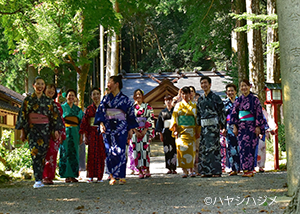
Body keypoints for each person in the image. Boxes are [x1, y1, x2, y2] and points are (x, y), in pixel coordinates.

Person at [15, 77, 64, 188]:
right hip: (32, 130)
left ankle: (40, 178)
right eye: (38, 84)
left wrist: (56, 130)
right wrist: (23, 132)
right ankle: (37, 179)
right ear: (33, 85)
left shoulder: (48, 101)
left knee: (42, 154)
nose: (40, 86)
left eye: (42, 84)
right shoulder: (28, 100)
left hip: (45, 130)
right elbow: (23, 116)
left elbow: (55, 117)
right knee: (34, 153)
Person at [94, 75, 139, 185]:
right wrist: (101, 123)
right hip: (108, 127)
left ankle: (121, 175)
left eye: (110, 82)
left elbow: (130, 114)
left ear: (116, 84)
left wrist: (130, 129)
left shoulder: (125, 99)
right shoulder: (106, 98)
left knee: (121, 151)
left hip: (121, 128)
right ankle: (111, 175)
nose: (108, 85)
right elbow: (100, 112)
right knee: (109, 151)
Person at [230, 79, 265, 177]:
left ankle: (250, 169)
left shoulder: (255, 99)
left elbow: (259, 113)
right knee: (242, 148)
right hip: (241, 127)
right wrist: (235, 127)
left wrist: (258, 126)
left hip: (252, 127)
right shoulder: (238, 100)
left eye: (245, 85)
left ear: (249, 86)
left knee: (251, 147)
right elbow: (234, 114)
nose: (243, 88)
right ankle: (245, 169)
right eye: (241, 86)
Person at [197, 76, 226, 178]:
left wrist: (223, 126)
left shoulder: (216, 98)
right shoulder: (200, 99)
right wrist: (198, 125)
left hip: (213, 127)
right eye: (202, 83)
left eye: (205, 83)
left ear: (210, 84)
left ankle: (216, 171)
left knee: (214, 149)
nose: (204, 85)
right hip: (204, 128)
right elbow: (198, 114)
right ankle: (205, 171)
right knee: (204, 149)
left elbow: (222, 112)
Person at [170, 87, 200, 178]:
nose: (184, 95)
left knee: (191, 151)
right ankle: (184, 171)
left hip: (191, 131)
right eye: (182, 94)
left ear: (189, 94)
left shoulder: (194, 105)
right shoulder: (178, 105)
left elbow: (197, 119)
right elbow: (174, 118)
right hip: (181, 131)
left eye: (186, 93)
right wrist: (175, 130)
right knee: (181, 150)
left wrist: (198, 131)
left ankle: (192, 170)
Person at [79, 87, 106, 183]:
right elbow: (85, 122)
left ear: (100, 95)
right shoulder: (89, 109)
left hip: (102, 133)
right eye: (94, 94)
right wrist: (84, 135)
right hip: (92, 133)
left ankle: (100, 176)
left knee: (101, 154)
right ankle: (90, 175)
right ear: (91, 96)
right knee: (91, 154)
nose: (96, 96)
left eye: (97, 94)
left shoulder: (104, 107)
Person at [42, 84, 66, 185]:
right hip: (42, 132)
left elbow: (60, 121)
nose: (51, 90)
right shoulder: (40, 104)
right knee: (43, 153)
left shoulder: (58, 106)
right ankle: (42, 176)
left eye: (53, 89)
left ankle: (50, 176)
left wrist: (61, 133)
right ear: (44, 90)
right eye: (49, 88)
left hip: (54, 132)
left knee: (52, 153)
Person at [59, 89, 84, 183]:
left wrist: (81, 135)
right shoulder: (61, 108)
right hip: (64, 131)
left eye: (73, 95)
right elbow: (59, 121)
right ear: (66, 96)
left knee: (74, 152)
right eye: (69, 95)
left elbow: (81, 123)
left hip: (75, 131)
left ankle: (73, 175)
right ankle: (66, 175)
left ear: (75, 98)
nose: (71, 97)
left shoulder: (78, 109)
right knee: (65, 152)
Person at [131, 89, 155, 179]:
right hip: (135, 132)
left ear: (142, 96)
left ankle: (147, 169)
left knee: (146, 150)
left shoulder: (148, 107)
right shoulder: (132, 108)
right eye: (136, 95)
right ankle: (140, 170)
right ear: (134, 96)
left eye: (139, 94)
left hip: (145, 131)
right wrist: (135, 131)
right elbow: (130, 120)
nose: (138, 96)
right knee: (136, 151)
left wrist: (145, 130)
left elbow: (150, 118)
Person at [155, 95, 177, 174]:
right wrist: (160, 134)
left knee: (174, 149)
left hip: (174, 131)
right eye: (166, 100)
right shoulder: (162, 112)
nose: (168, 102)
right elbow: (159, 124)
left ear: (172, 101)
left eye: (169, 100)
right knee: (167, 149)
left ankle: (174, 168)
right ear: (164, 102)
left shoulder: (175, 111)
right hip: (166, 131)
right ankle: (168, 167)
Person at [223, 83, 240, 176]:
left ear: (235, 91)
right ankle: (233, 168)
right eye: (228, 91)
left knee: (240, 147)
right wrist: (223, 128)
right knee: (231, 148)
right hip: (229, 127)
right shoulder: (224, 103)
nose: (230, 92)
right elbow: (222, 117)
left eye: (232, 90)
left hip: (240, 126)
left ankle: (242, 168)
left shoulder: (240, 101)